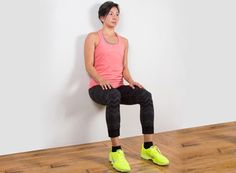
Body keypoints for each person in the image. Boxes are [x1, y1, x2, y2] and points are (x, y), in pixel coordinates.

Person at [84, 1, 169, 172]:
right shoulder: (93, 37)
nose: (115, 17)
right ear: (102, 17)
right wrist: (101, 80)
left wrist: (131, 81)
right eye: (110, 14)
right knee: (114, 95)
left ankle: (148, 147)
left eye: (117, 14)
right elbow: (89, 66)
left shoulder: (124, 41)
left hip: (117, 87)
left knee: (145, 95)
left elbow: (124, 68)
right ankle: (115, 152)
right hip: (97, 88)